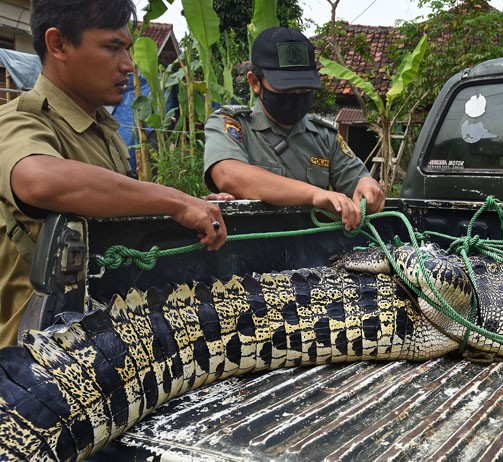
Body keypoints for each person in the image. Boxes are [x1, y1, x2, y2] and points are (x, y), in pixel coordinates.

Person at [0, 0, 228, 347]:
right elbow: (39, 180)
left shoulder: (104, 132)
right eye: (112, 48)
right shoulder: (19, 121)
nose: (128, 65)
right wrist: (177, 202)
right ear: (58, 44)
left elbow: (119, 207)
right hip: (34, 359)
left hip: (102, 344)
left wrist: (197, 206)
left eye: (128, 49)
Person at [203, 26, 385, 231]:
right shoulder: (232, 124)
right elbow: (228, 174)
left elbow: (358, 181)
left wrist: (368, 187)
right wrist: (315, 194)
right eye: (286, 88)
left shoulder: (325, 137)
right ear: (255, 82)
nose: (297, 96)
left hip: (312, 247)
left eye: (304, 88)